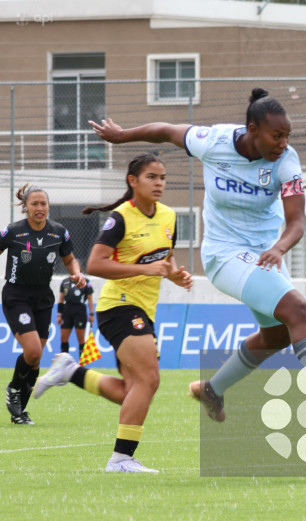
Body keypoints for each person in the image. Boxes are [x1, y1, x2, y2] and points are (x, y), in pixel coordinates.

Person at [87, 88, 306, 424]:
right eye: (276, 136)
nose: (283, 143)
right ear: (252, 130)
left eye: (287, 136)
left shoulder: (286, 161)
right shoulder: (214, 141)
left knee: (278, 334)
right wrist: (122, 136)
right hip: (223, 256)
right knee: (297, 309)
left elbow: (296, 222)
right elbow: (166, 130)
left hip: (264, 257)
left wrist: (280, 247)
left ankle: (212, 389)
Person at [34, 154, 192, 473]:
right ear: (132, 181)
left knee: (132, 392)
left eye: (162, 177)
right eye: (151, 177)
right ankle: (121, 460)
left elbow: (165, 258)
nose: (159, 183)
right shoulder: (120, 218)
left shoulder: (168, 216)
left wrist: (174, 274)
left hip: (143, 310)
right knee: (149, 379)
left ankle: (71, 372)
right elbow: (95, 264)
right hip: (119, 306)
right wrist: (145, 268)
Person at [1, 184, 86, 425]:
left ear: (48, 206)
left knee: (36, 361)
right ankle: (14, 389)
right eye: (34, 204)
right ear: (25, 207)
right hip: (16, 296)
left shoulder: (58, 232)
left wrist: (76, 273)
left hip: (43, 298)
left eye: (43, 204)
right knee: (34, 352)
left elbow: (69, 259)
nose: (39, 208)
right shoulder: (13, 231)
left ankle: (19, 413)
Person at [57, 274, 94, 356]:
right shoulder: (65, 281)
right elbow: (61, 299)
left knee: (81, 339)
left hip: (80, 310)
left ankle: (82, 365)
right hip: (67, 310)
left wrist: (91, 314)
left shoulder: (85, 281)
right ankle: (64, 363)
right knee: (63, 338)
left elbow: (90, 298)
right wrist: (59, 315)